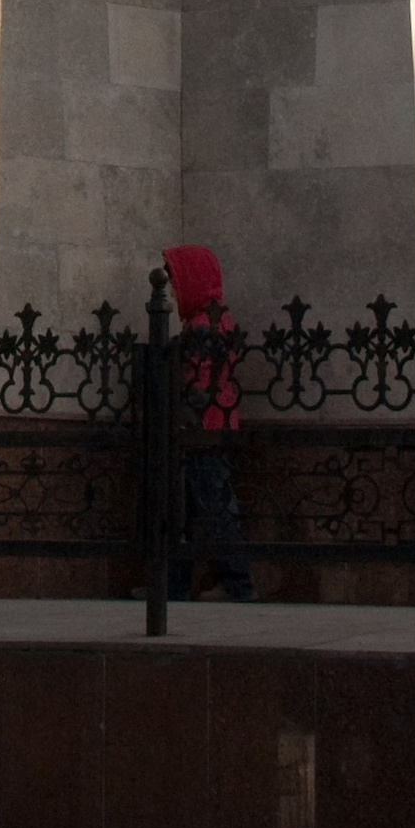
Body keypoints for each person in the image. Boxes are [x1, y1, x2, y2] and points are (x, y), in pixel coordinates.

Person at [163, 241, 255, 600]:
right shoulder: (208, 322)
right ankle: (175, 583)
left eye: (176, 280)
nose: (172, 288)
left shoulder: (206, 326)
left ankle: (237, 583)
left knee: (212, 504)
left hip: (205, 429)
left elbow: (199, 385)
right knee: (187, 506)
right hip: (205, 428)